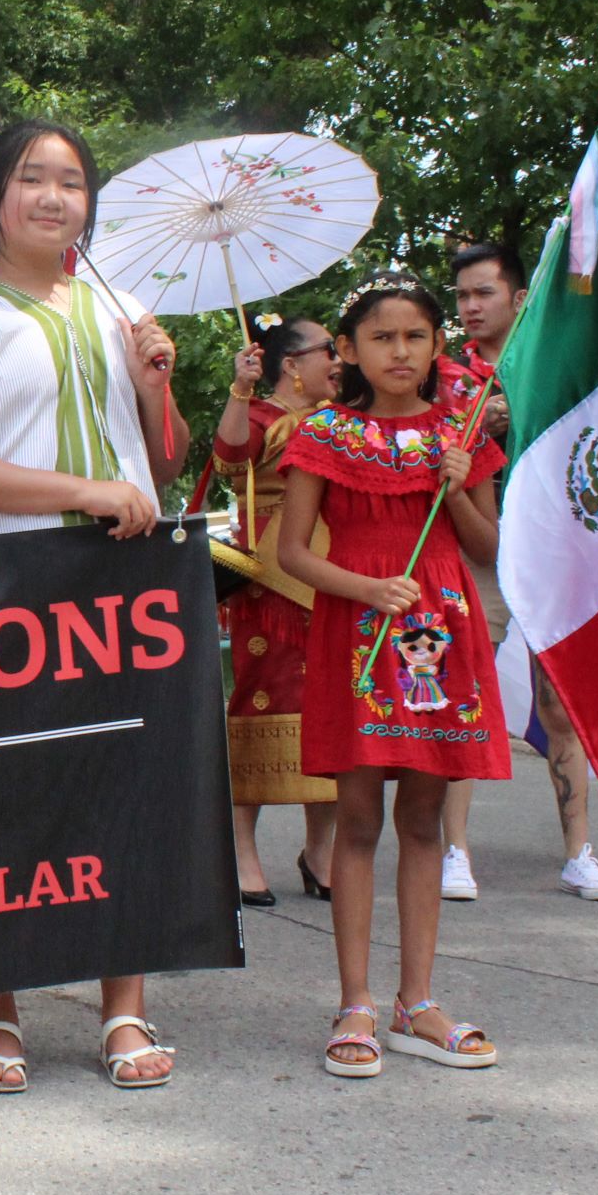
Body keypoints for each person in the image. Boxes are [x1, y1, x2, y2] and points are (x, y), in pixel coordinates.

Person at [0, 118, 190, 1096]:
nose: (56, 196)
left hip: (118, 585)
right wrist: (81, 491)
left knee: (119, 788)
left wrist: (159, 385)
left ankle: (124, 1005)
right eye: (34, 178)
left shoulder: (124, 309)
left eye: (72, 181)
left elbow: (164, 463)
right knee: (1, 794)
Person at [275, 269, 508, 1079]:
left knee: (423, 819)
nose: (399, 350)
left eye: (415, 335)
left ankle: (417, 1001)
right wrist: (367, 588)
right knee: (358, 819)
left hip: (443, 633)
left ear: (438, 344)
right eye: (381, 336)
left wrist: (455, 490)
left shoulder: (462, 433)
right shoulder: (327, 434)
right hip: (357, 634)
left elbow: (487, 549)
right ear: (348, 350)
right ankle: (356, 1001)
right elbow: (292, 551)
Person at [437, 242, 598, 903]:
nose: (471, 307)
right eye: (462, 296)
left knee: (559, 705)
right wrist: (467, 427)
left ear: (519, 298)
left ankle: (579, 854)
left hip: (549, 547)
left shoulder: (555, 369)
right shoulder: (445, 374)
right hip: (476, 549)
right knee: (464, 695)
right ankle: (452, 851)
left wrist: (525, 412)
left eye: (483, 293)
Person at [211, 315, 343, 907]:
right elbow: (228, 459)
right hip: (272, 583)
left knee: (332, 708)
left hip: (336, 575)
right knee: (262, 701)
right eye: (327, 351)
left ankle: (322, 852)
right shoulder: (262, 416)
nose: (338, 362)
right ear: (291, 364)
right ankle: (242, 851)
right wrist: (241, 390)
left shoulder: (345, 422)